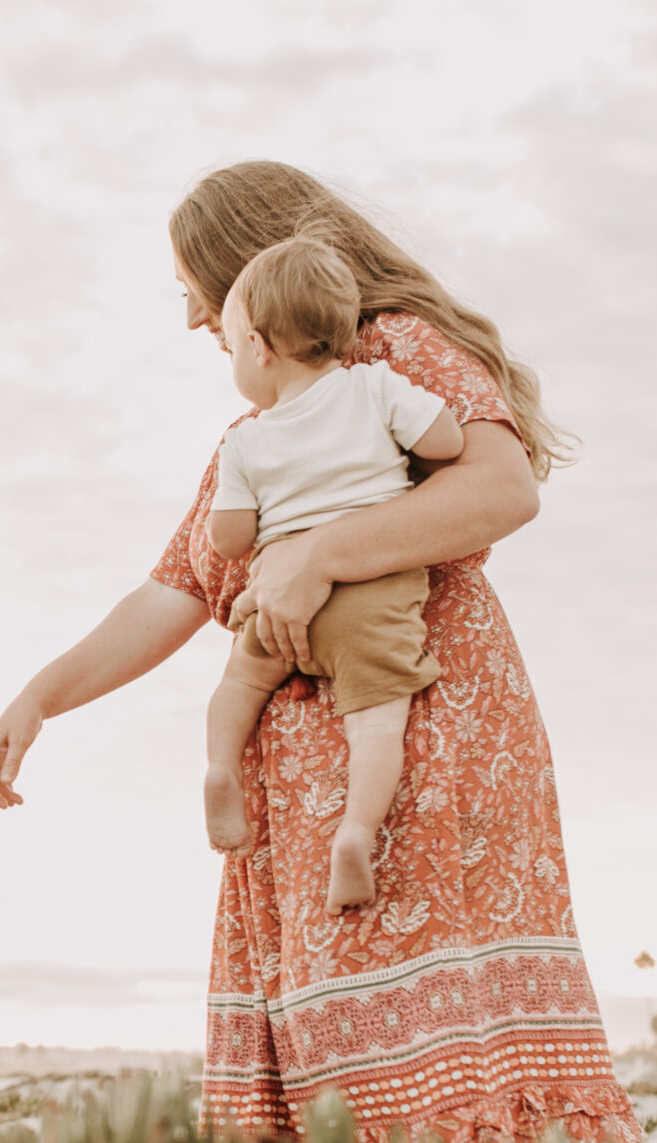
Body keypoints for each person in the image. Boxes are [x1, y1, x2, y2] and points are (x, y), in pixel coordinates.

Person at [0, 161, 641, 1143]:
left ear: (254, 274)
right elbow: (174, 591)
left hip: (419, 725)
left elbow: (501, 489)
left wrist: (315, 555)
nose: (191, 313)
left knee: (421, 1012)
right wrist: (36, 700)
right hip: (296, 775)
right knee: (333, 1022)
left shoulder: (394, 354)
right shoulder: (252, 436)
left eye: (197, 281)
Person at [199, 233, 464, 903]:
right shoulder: (375, 388)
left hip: (274, 604)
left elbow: (230, 539)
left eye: (230, 347)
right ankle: (355, 832)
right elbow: (449, 441)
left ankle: (221, 768)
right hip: (369, 601)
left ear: (257, 346)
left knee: (238, 684)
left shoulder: (247, 438)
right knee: (376, 722)